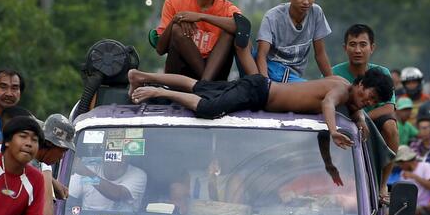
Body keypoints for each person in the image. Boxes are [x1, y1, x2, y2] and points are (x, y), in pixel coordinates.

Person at [126, 66, 393, 150]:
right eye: (367, 96)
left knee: (200, 86)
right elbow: (328, 103)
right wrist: (333, 130)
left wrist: (359, 117)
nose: (366, 103)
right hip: (259, 92)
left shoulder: (348, 89)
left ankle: (140, 75)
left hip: (259, 89)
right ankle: (159, 91)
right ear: (359, 83)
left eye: (371, 103)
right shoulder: (342, 90)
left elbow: (354, 106)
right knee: (208, 108)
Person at [153, 0, 254, 81]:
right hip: (182, 75)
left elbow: (243, 28)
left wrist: (201, 16)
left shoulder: (228, 8)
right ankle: (205, 85)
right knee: (177, 29)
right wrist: (175, 21)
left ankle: (205, 83)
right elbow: (160, 50)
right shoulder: (173, 2)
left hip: (215, 73)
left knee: (230, 31)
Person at [330, 23, 398, 190]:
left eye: (363, 44)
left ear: (372, 47)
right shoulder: (333, 73)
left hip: (371, 124)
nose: (358, 50)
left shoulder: (383, 73)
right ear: (345, 48)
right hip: (342, 122)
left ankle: (383, 184)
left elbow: (389, 108)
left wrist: (362, 120)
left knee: (391, 126)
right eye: (353, 45)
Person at [256, 0, 332, 83]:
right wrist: (266, 84)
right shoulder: (272, 17)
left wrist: (331, 81)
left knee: (338, 83)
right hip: (273, 71)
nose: (306, 2)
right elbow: (262, 55)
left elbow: (320, 54)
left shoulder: (316, 12)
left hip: (294, 77)